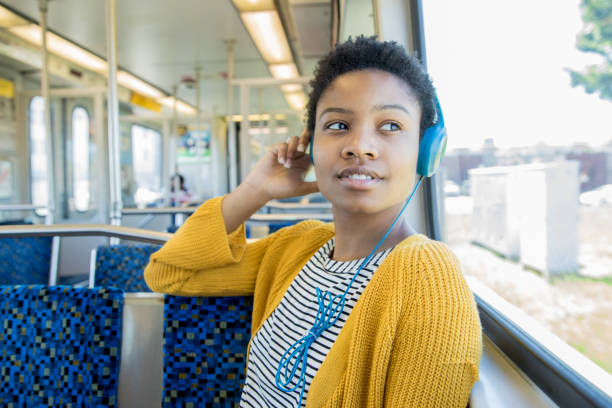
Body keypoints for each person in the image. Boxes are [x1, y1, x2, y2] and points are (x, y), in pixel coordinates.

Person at [145, 36, 481, 407]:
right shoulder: (297, 247)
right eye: (337, 125)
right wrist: (256, 189)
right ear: (311, 145)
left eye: (390, 126)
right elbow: (168, 273)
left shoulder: (427, 275)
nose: (360, 146)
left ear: (426, 152)